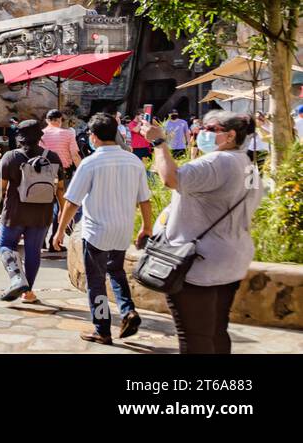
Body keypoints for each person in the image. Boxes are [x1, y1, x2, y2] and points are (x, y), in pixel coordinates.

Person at [141, 110, 262, 353]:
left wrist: (158, 142)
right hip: (231, 259)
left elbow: (170, 179)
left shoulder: (216, 162)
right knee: (216, 330)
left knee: (194, 337)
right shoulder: (248, 164)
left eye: (210, 129)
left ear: (229, 135)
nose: (202, 133)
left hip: (198, 264)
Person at [53, 113, 153, 345]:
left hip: (96, 232)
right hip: (122, 231)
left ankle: (102, 330)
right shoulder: (133, 161)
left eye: (90, 134)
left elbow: (72, 201)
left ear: (94, 137)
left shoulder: (91, 163)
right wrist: (146, 227)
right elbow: (145, 200)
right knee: (116, 272)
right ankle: (128, 310)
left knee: (95, 282)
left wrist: (59, 232)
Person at [0, 119, 62, 303]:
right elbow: (61, 189)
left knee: (5, 246)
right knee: (33, 252)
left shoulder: (10, 157)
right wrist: (64, 215)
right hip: (42, 214)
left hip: (14, 213)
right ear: (40, 137)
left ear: (20, 138)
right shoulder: (53, 157)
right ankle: (28, 292)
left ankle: (17, 278)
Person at [39, 109, 81, 254]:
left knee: (45, 206)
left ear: (47, 120)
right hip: (64, 172)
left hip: (44, 173)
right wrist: (82, 171)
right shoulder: (68, 134)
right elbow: (74, 155)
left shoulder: (41, 134)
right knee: (61, 207)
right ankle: (55, 242)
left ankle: (41, 240)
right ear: (60, 120)